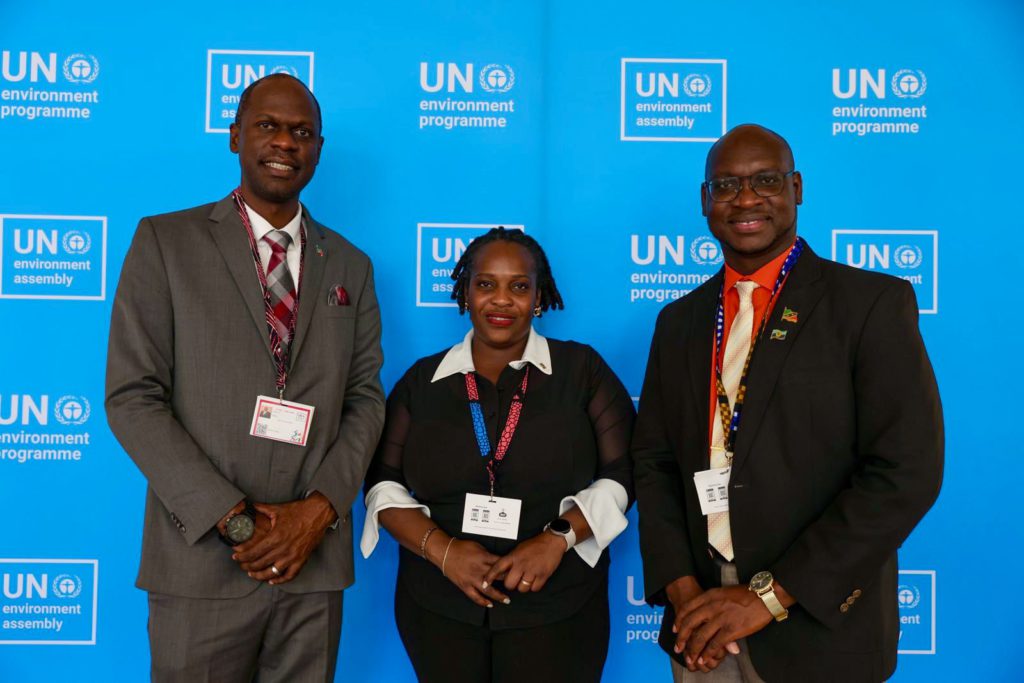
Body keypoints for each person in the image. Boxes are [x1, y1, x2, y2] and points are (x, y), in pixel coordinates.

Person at [632, 124, 943, 682]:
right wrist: (682, 592)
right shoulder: (678, 322)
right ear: (705, 201)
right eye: (726, 185)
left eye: (766, 181)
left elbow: (905, 472)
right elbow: (654, 464)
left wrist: (767, 598)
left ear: (797, 188)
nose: (746, 199)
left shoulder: (870, 304)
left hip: (817, 627)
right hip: (701, 626)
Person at [105, 73, 384, 682]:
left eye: (302, 132)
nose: (285, 142)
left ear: (318, 149)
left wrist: (319, 512)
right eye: (268, 126)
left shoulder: (351, 265)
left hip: (311, 565)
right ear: (235, 136)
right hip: (201, 560)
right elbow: (132, 397)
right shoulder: (165, 243)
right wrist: (233, 519)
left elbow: (365, 400)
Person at [360, 227, 634, 682]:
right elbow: (381, 483)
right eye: (486, 284)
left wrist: (558, 539)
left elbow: (623, 472)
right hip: (438, 607)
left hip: (560, 607)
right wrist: (444, 552)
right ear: (465, 293)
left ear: (539, 298)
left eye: (519, 287)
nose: (501, 300)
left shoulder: (582, 370)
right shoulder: (421, 381)